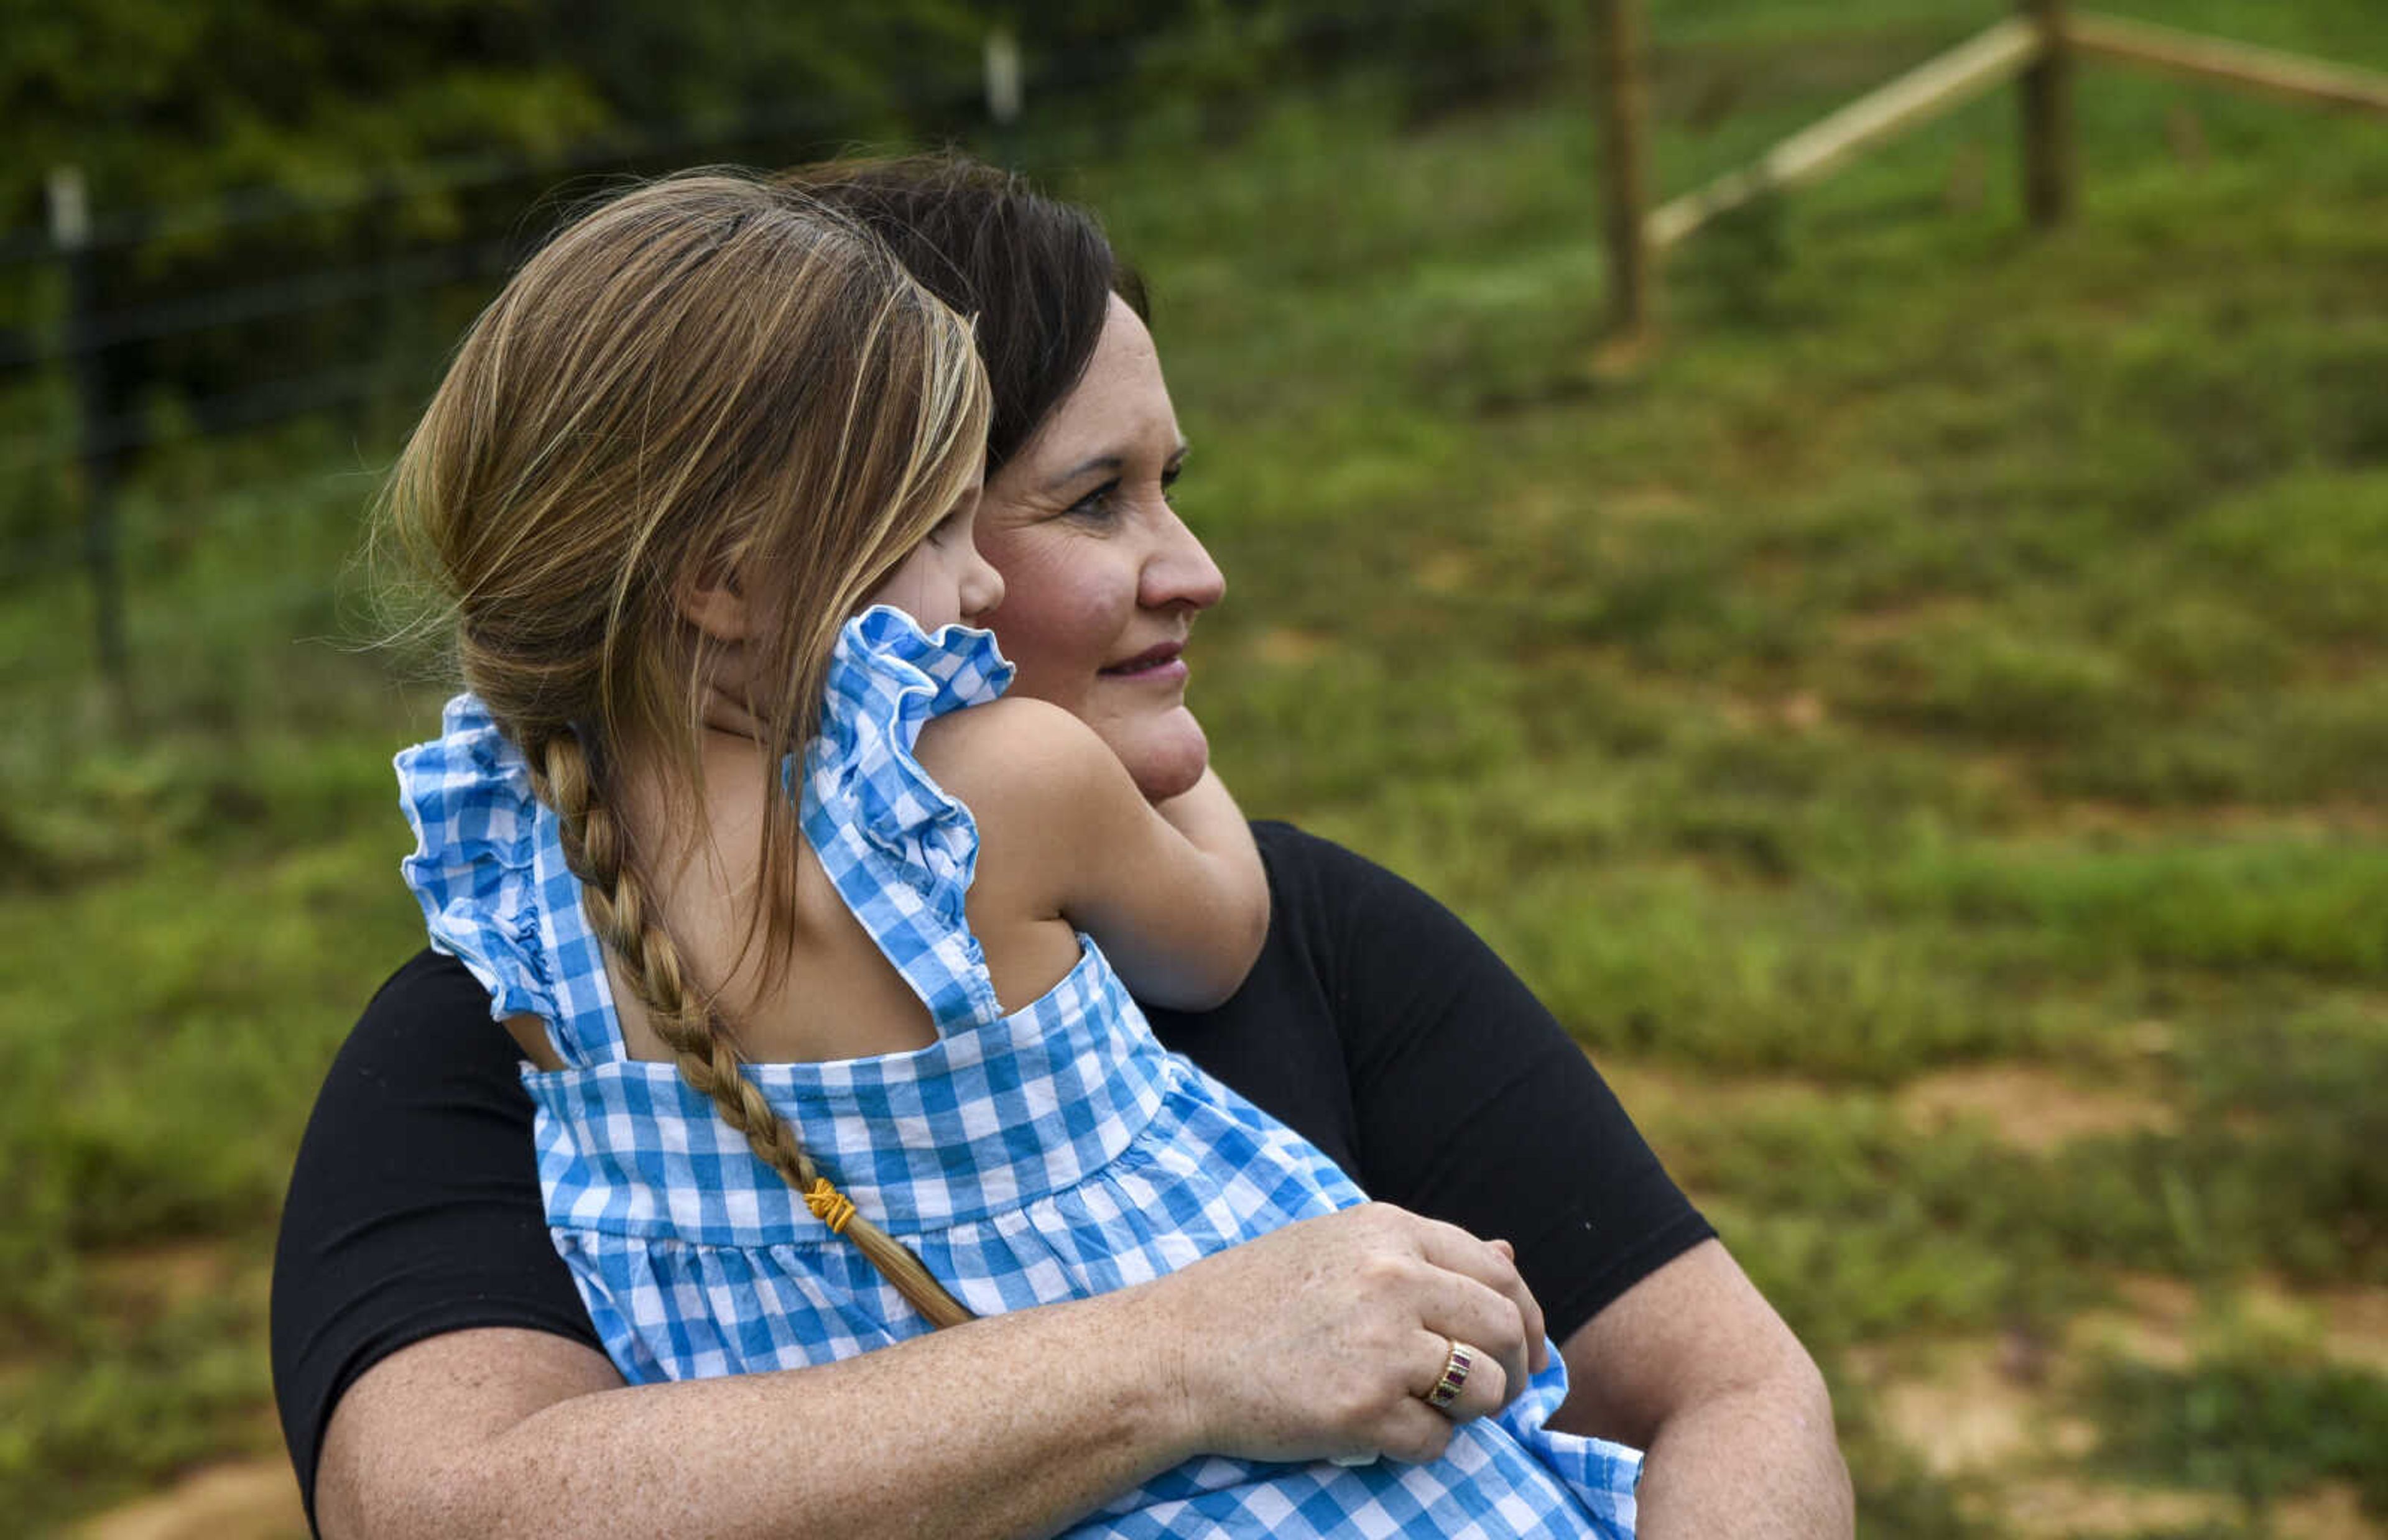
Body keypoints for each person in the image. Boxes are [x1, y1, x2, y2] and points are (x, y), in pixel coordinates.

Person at [274, 156, 1854, 1539]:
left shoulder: (1333, 934)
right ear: (737, 568)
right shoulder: (475, 1048)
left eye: (1174, 486)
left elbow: (1730, 1386)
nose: (1200, 571)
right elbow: (445, 1510)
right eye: (1090, 501)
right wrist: (1184, 1353)